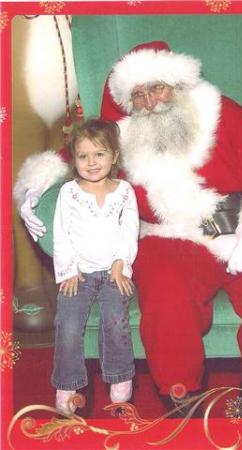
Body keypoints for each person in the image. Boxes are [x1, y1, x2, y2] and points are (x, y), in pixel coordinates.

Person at [14, 41, 242, 418]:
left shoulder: (223, 113)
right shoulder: (119, 136)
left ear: (178, 85)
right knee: (166, 288)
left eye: (158, 87)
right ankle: (182, 405)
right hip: (169, 238)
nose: (151, 101)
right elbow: (70, 159)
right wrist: (34, 187)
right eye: (139, 94)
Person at [50, 119, 139, 415]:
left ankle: (119, 376)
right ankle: (67, 382)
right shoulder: (69, 193)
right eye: (83, 156)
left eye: (99, 154)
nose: (91, 162)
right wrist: (68, 270)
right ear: (74, 160)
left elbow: (129, 230)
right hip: (80, 272)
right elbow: (61, 233)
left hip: (114, 271)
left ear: (114, 156)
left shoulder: (125, 191)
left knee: (114, 318)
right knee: (68, 322)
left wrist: (121, 263)